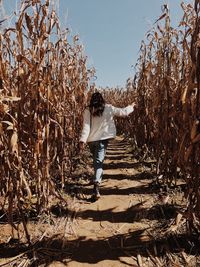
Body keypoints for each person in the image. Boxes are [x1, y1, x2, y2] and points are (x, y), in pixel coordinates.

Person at [79, 92, 135, 201]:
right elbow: (123, 112)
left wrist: (82, 140)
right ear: (102, 100)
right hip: (102, 140)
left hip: (91, 140)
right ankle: (96, 185)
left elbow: (86, 126)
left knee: (96, 161)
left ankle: (96, 182)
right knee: (98, 162)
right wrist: (131, 107)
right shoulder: (108, 108)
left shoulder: (88, 110)